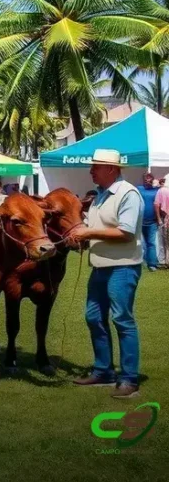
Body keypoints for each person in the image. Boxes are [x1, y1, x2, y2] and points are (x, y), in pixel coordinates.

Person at [68, 149, 143, 399]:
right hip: (100, 266)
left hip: (123, 266)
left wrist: (88, 233)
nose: (91, 171)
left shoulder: (128, 194)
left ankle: (129, 378)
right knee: (93, 317)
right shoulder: (100, 195)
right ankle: (104, 371)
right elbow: (95, 227)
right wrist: (81, 236)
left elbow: (126, 232)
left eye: (95, 167)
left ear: (111, 169)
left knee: (122, 319)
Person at [138, 172, 161, 272]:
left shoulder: (157, 190)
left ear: (152, 180)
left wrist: (160, 183)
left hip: (152, 222)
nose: (147, 180)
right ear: (143, 180)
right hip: (140, 221)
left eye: (149, 179)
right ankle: (142, 261)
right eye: (146, 179)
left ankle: (152, 264)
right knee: (141, 243)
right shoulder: (138, 189)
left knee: (151, 243)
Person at [157, 175, 169, 268]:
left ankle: (164, 261)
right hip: (165, 218)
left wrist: (159, 219)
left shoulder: (162, 190)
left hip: (165, 218)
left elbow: (157, 204)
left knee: (164, 241)